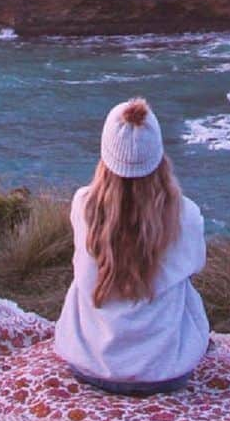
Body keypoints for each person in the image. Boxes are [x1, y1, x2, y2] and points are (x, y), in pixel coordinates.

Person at [53, 96, 211, 396]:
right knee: (181, 283)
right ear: (160, 157)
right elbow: (197, 265)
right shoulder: (186, 215)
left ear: (105, 155)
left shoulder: (82, 206)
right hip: (166, 372)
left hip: (89, 367)